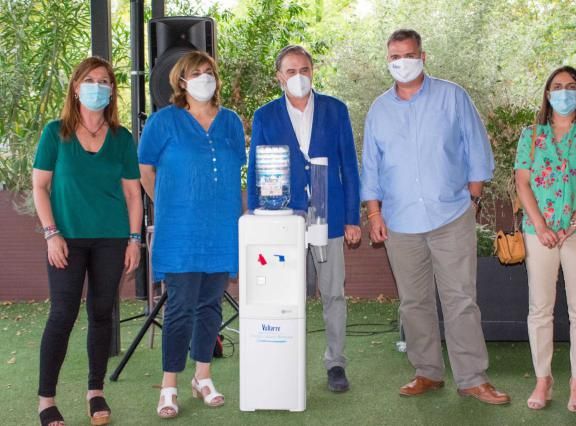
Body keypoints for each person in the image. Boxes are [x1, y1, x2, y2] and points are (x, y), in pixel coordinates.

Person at [360, 29, 510, 405]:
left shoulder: (453, 96)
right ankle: (427, 372)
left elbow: (477, 149)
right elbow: (372, 167)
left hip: (451, 216)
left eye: (408, 55)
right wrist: (374, 213)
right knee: (414, 302)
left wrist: (472, 200)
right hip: (400, 221)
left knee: (461, 299)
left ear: (423, 57)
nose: (401, 62)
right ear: (387, 60)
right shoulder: (379, 109)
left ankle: (472, 378)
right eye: (394, 57)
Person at [32, 57, 142, 426]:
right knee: (62, 315)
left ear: (111, 90)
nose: (98, 86)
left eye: (105, 81)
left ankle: (95, 392)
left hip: (111, 239)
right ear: (76, 87)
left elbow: (132, 195)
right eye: (90, 80)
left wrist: (133, 239)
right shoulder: (54, 133)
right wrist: (51, 233)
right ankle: (46, 400)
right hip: (66, 239)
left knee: (101, 313)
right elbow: (40, 187)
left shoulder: (122, 138)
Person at [246, 45, 361, 392]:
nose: (300, 77)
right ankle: (285, 360)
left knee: (333, 293)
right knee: (285, 296)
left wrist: (352, 217)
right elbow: (255, 169)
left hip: (331, 215)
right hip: (284, 219)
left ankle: (336, 363)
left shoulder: (335, 110)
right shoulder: (265, 116)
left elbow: (350, 168)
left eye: (305, 70)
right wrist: (256, 216)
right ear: (279, 77)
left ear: (314, 72)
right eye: (292, 71)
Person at [138, 51, 246, 418]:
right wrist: (169, 205)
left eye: (209, 72)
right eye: (196, 73)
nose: (205, 78)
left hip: (221, 229)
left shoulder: (230, 121)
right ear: (181, 82)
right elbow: (145, 170)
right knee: (180, 308)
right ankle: (169, 385)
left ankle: (203, 377)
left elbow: (236, 170)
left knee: (210, 306)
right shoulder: (163, 122)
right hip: (180, 231)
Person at [514, 66, 576, 412]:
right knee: (539, 309)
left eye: (571, 86)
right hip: (538, 233)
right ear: (547, 93)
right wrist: (540, 226)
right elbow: (522, 182)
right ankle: (543, 378)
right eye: (557, 86)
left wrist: (569, 225)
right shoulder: (531, 135)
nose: (564, 92)